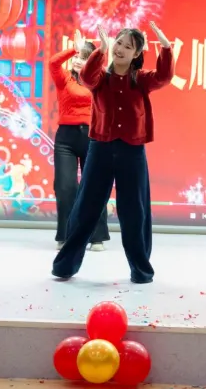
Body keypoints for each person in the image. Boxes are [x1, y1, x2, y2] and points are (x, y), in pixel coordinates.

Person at [52, 21, 174, 284]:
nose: (120, 49)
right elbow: (86, 77)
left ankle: (141, 270)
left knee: (135, 212)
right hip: (101, 149)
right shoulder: (100, 78)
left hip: (132, 151)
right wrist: (101, 50)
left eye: (128, 47)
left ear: (136, 54)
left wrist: (165, 48)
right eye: (119, 43)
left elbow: (164, 77)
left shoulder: (141, 80)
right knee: (85, 208)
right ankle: (65, 266)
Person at [49, 30, 109, 252]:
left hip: (94, 138)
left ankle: (96, 237)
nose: (77, 60)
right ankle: (65, 235)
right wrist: (73, 48)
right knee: (65, 187)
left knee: (94, 187)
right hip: (66, 139)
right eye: (76, 56)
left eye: (83, 57)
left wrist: (100, 52)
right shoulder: (64, 78)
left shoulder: (100, 81)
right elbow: (53, 62)